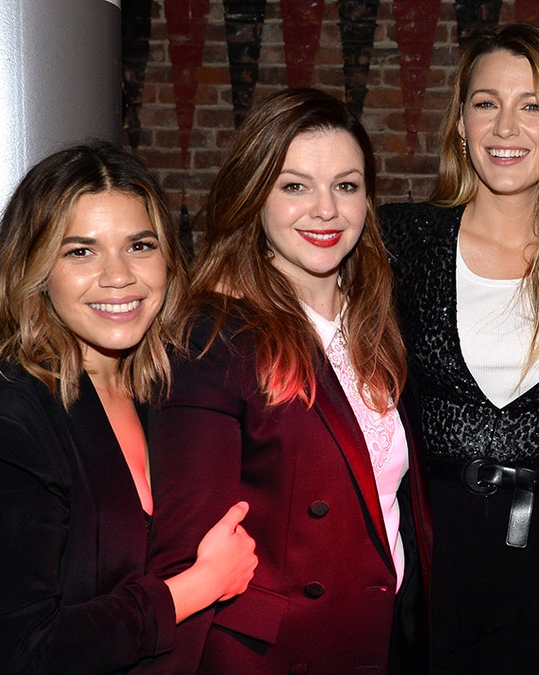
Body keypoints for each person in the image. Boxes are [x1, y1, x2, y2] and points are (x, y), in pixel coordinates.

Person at [0, 142, 258, 674]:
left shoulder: (161, 394)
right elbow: (28, 653)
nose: (118, 275)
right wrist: (198, 586)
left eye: (140, 246)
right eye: (81, 251)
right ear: (34, 269)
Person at [145, 88, 430, 673]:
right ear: (256, 196)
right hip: (275, 654)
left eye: (346, 186)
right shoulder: (215, 336)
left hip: (380, 638)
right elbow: (184, 554)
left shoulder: (376, 320)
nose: (325, 210)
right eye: (295, 186)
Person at [379, 23, 539, 673]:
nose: (505, 126)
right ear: (461, 124)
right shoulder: (399, 240)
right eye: (486, 102)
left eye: (531, 105)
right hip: (428, 546)